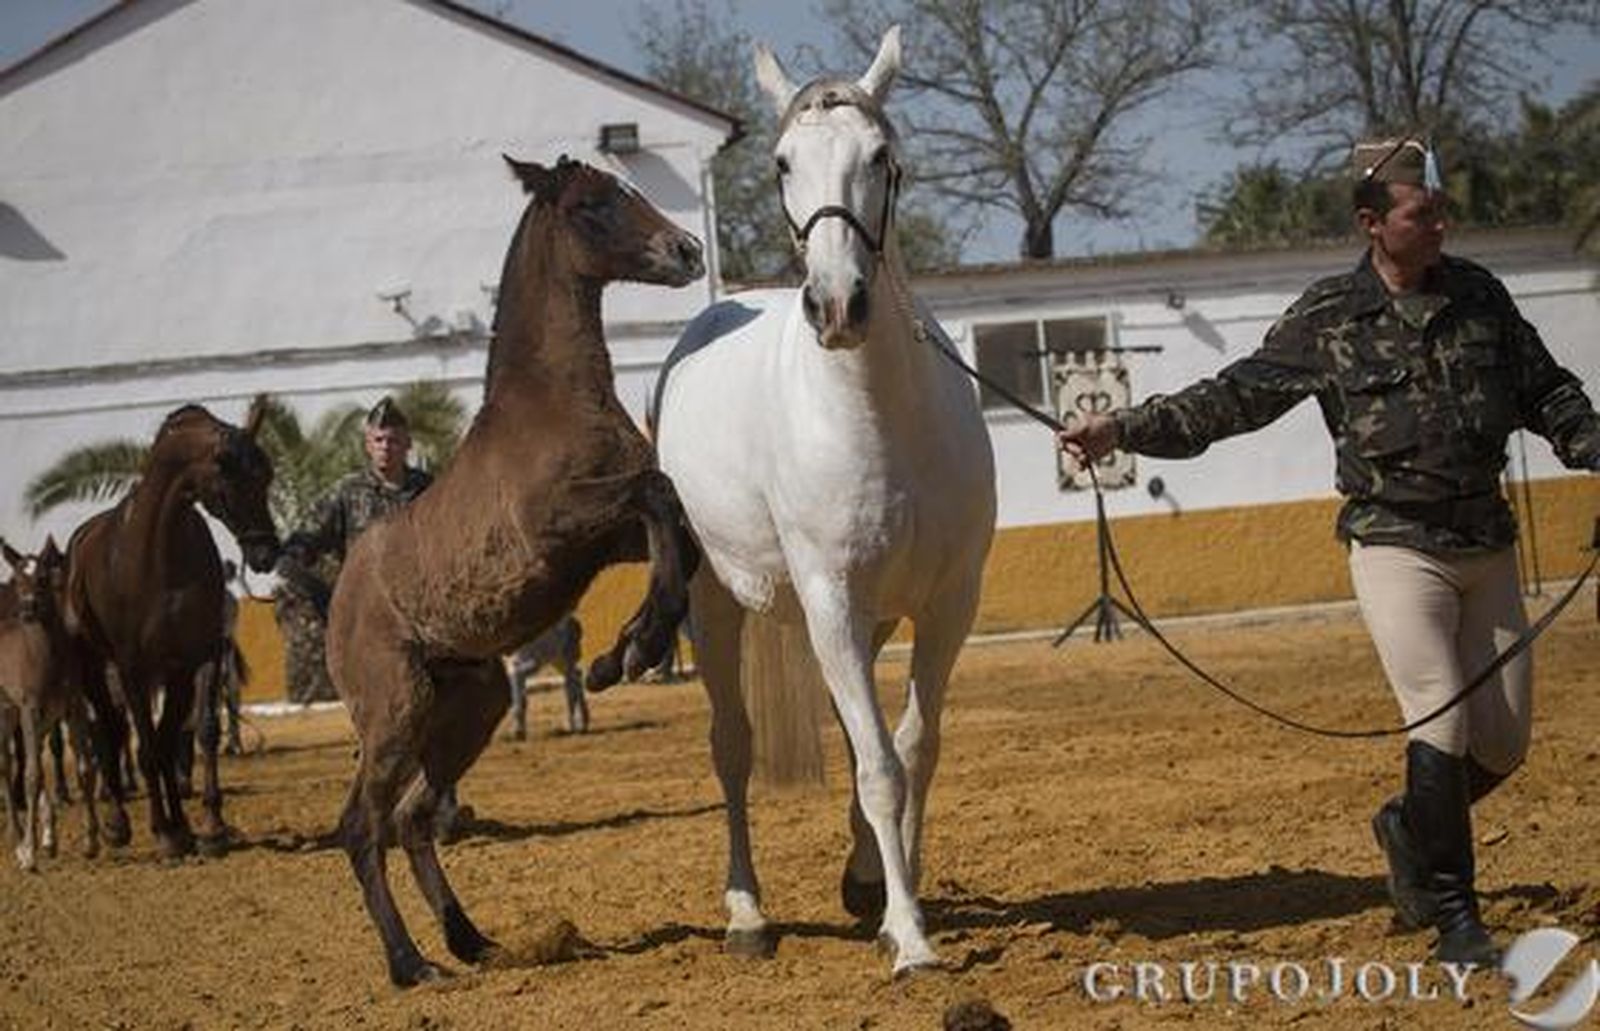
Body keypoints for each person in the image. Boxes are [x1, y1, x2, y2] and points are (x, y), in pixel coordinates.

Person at [1057, 136, 1600, 965]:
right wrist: (1120, 427)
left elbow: (1549, 391)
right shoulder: (1329, 315)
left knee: (1504, 744)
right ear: (1373, 224)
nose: (1442, 223)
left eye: (1441, 210)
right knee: (1440, 713)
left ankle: (1408, 823)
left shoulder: (1483, 297)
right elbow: (1232, 398)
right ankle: (1455, 919)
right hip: (1395, 544)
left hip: (1487, 541)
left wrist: (1594, 444)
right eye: (1424, 213)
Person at [277, 396, 471, 839]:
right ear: (368, 444)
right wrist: (321, 592)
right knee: (381, 726)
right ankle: (377, 815)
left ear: (407, 443)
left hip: (428, 625)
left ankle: (440, 810)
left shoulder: (428, 490)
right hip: (374, 634)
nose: (387, 446)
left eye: (395, 439)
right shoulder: (346, 494)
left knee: (438, 715)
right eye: (379, 439)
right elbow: (301, 547)